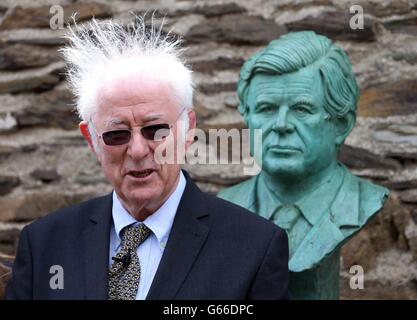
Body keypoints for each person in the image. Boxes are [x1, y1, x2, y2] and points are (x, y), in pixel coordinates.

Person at [5, 17, 289, 300]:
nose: (138, 150)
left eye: (156, 130)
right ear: (92, 140)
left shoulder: (253, 248)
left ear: (188, 129)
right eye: (117, 134)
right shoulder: (44, 244)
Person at [218, 31, 389, 299]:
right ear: (247, 119)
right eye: (266, 109)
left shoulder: (363, 203)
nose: (281, 125)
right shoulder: (224, 208)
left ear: (341, 125)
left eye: (301, 109)